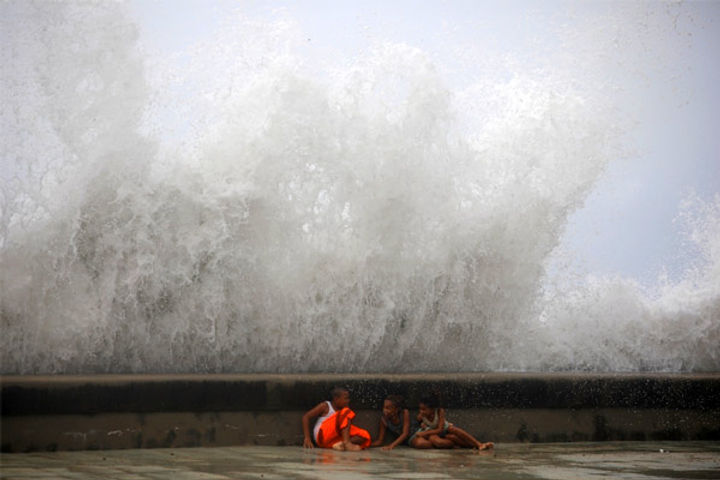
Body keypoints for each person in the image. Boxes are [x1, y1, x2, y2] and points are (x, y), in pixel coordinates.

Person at [408, 394, 494, 452]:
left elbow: (440, 429)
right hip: (432, 432)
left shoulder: (439, 411)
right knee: (444, 439)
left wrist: (424, 433)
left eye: (424, 409)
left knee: (453, 429)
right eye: (420, 409)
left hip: (442, 429)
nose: (421, 411)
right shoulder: (421, 416)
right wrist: (423, 427)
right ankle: (464, 446)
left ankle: (478, 444)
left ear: (432, 409)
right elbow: (417, 425)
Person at [302, 386, 371, 451]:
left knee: (365, 435)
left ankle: (341, 444)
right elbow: (306, 417)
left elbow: (345, 427)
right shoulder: (325, 406)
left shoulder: (344, 410)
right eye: (346, 398)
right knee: (346, 411)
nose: (348, 401)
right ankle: (347, 443)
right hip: (321, 436)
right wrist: (307, 438)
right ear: (336, 399)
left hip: (331, 442)